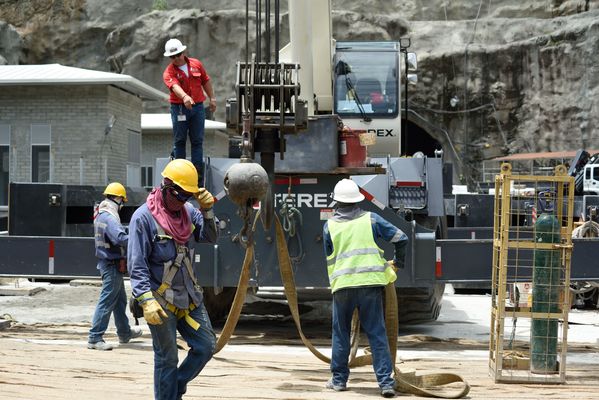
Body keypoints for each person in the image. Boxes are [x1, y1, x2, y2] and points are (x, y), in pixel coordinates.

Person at [128, 159, 218, 400]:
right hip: (160, 302)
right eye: (179, 196)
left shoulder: (188, 212)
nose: (182, 201)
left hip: (189, 297)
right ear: (165, 186)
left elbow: (209, 237)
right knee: (167, 358)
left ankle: (175, 384)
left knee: (206, 346)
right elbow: (136, 267)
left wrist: (207, 211)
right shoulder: (143, 218)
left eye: (187, 197)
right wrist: (146, 300)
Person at [322, 178, 408, 398]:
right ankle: (386, 384)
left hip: (342, 287)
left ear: (336, 202)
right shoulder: (372, 219)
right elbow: (401, 238)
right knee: (377, 333)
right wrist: (398, 263)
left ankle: (339, 381)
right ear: (357, 200)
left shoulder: (329, 226)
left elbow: (330, 255)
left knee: (340, 334)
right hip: (370, 285)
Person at [88, 182, 143, 351]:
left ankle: (125, 333)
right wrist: (139, 238)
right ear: (118, 198)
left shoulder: (102, 214)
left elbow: (117, 233)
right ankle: (95, 337)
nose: (122, 205)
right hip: (111, 265)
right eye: (122, 201)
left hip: (110, 264)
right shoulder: (110, 217)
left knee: (120, 302)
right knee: (106, 302)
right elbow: (120, 238)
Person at [162, 38, 217, 186]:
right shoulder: (169, 72)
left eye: (178, 55)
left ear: (183, 52)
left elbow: (205, 80)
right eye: (172, 57)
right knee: (180, 141)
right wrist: (185, 97)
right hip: (179, 108)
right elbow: (174, 87)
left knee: (197, 141)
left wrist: (212, 98)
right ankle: (180, 174)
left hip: (198, 107)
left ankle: (197, 175)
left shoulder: (196, 64)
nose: (176, 59)